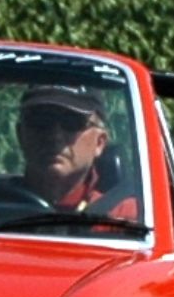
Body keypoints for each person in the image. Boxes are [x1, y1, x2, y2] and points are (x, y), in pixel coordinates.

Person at [15, 85, 140, 219]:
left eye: (72, 122)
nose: (55, 136)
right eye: (41, 121)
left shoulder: (128, 219)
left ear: (99, 142)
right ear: (20, 135)